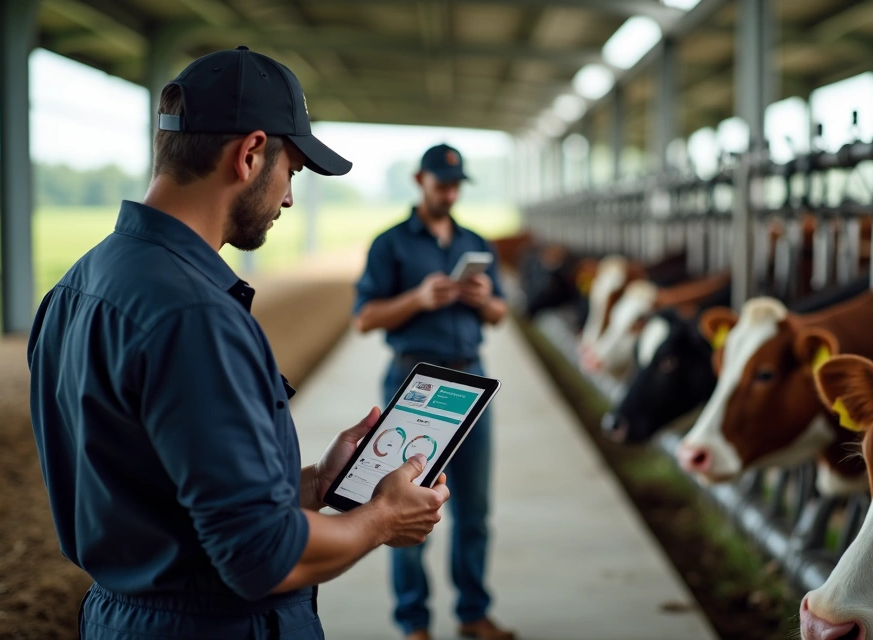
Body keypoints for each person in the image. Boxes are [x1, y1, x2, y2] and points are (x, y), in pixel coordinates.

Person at [27, 46, 449, 640]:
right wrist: (383, 519)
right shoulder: (194, 315)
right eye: (293, 173)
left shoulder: (76, 287)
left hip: (120, 619)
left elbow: (164, 496)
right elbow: (261, 556)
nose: (289, 198)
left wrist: (317, 484)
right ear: (250, 154)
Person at [353, 144, 514, 640]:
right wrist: (418, 298)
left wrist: (486, 301)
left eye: (456, 183)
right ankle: (414, 623)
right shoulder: (390, 244)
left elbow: (502, 315)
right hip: (414, 381)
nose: (450, 191)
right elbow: (365, 318)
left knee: (475, 509)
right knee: (405, 504)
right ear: (419, 180)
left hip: (470, 380)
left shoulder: (475, 241)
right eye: (441, 182)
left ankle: (472, 613)